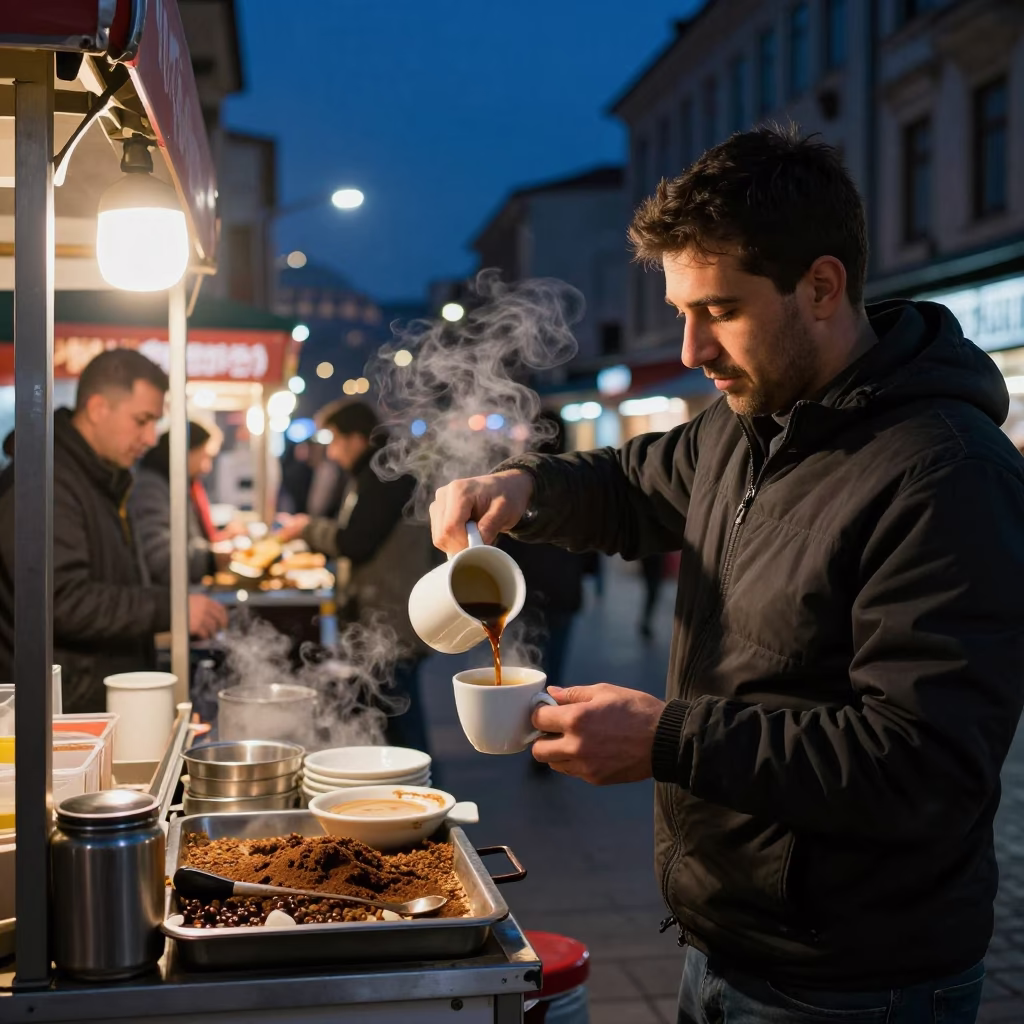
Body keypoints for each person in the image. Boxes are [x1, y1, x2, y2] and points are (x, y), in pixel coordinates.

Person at [429, 126, 1024, 1023]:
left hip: (855, 983)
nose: (694, 347)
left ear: (821, 286)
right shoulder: (748, 421)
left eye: (721, 310)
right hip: (723, 945)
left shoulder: (946, 472)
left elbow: (926, 763)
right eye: (680, 311)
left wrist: (669, 741)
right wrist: (521, 486)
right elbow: (629, 486)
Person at [0, 349, 228, 712]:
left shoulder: (100, 477)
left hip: (97, 697)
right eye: (142, 420)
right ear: (97, 408)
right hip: (61, 714)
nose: (152, 437)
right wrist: (171, 609)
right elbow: (62, 601)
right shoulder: (43, 483)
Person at [277, 400, 436, 752]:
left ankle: (428, 796)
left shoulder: (383, 476)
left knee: (402, 724)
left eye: (333, 441)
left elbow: (356, 541)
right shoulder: (377, 471)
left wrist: (307, 528)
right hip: (388, 615)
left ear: (355, 439)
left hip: (393, 622)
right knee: (389, 720)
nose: (331, 453)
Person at [497, 413, 585, 689]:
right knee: (552, 674)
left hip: (527, 591)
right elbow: (590, 538)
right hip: (564, 590)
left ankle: (528, 727)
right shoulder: (578, 479)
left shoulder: (521, 484)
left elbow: (507, 544)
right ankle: (548, 720)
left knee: (524, 670)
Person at [131, 418, 229, 586]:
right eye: (205, 456)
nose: (207, 467)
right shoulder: (151, 488)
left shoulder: (175, 485)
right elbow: (160, 559)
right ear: (187, 452)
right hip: (168, 599)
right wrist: (212, 559)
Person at [638, 552, 665, 639]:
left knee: (651, 595)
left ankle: (646, 622)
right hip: (652, 565)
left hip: (651, 564)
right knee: (652, 594)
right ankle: (646, 623)